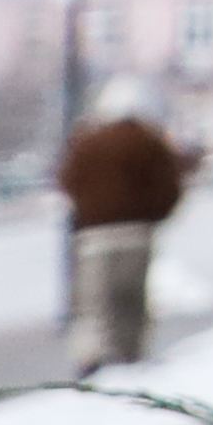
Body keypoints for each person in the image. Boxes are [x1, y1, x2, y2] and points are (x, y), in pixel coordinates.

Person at [56, 106, 192, 372]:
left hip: (94, 236)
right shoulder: (150, 142)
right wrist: (153, 216)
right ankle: (130, 360)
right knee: (131, 302)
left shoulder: (88, 143)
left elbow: (67, 180)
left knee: (95, 303)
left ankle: (94, 359)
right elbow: (170, 185)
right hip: (137, 235)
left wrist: (89, 209)